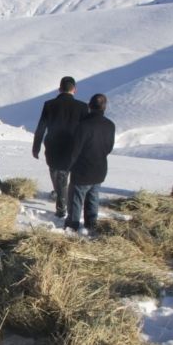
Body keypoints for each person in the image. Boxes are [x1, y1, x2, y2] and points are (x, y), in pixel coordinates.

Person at [32, 76, 88, 217]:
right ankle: (61, 195)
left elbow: (41, 127)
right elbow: (86, 129)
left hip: (53, 144)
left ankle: (61, 204)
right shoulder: (82, 106)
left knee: (55, 171)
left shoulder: (49, 104)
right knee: (63, 173)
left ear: (59, 89)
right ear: (74, 89)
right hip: (73, 146)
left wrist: (36, 146)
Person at [64, 94, 115, 232]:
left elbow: (75, 150)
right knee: (93, 198)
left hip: (82, 170)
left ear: (89, 106)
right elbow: (109, 147)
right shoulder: (110, 125)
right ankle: (92, 225)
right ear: (104, 107)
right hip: (100, 169)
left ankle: (72, 227)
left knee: (76, 200)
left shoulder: (83, 125)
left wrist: (68, 167)